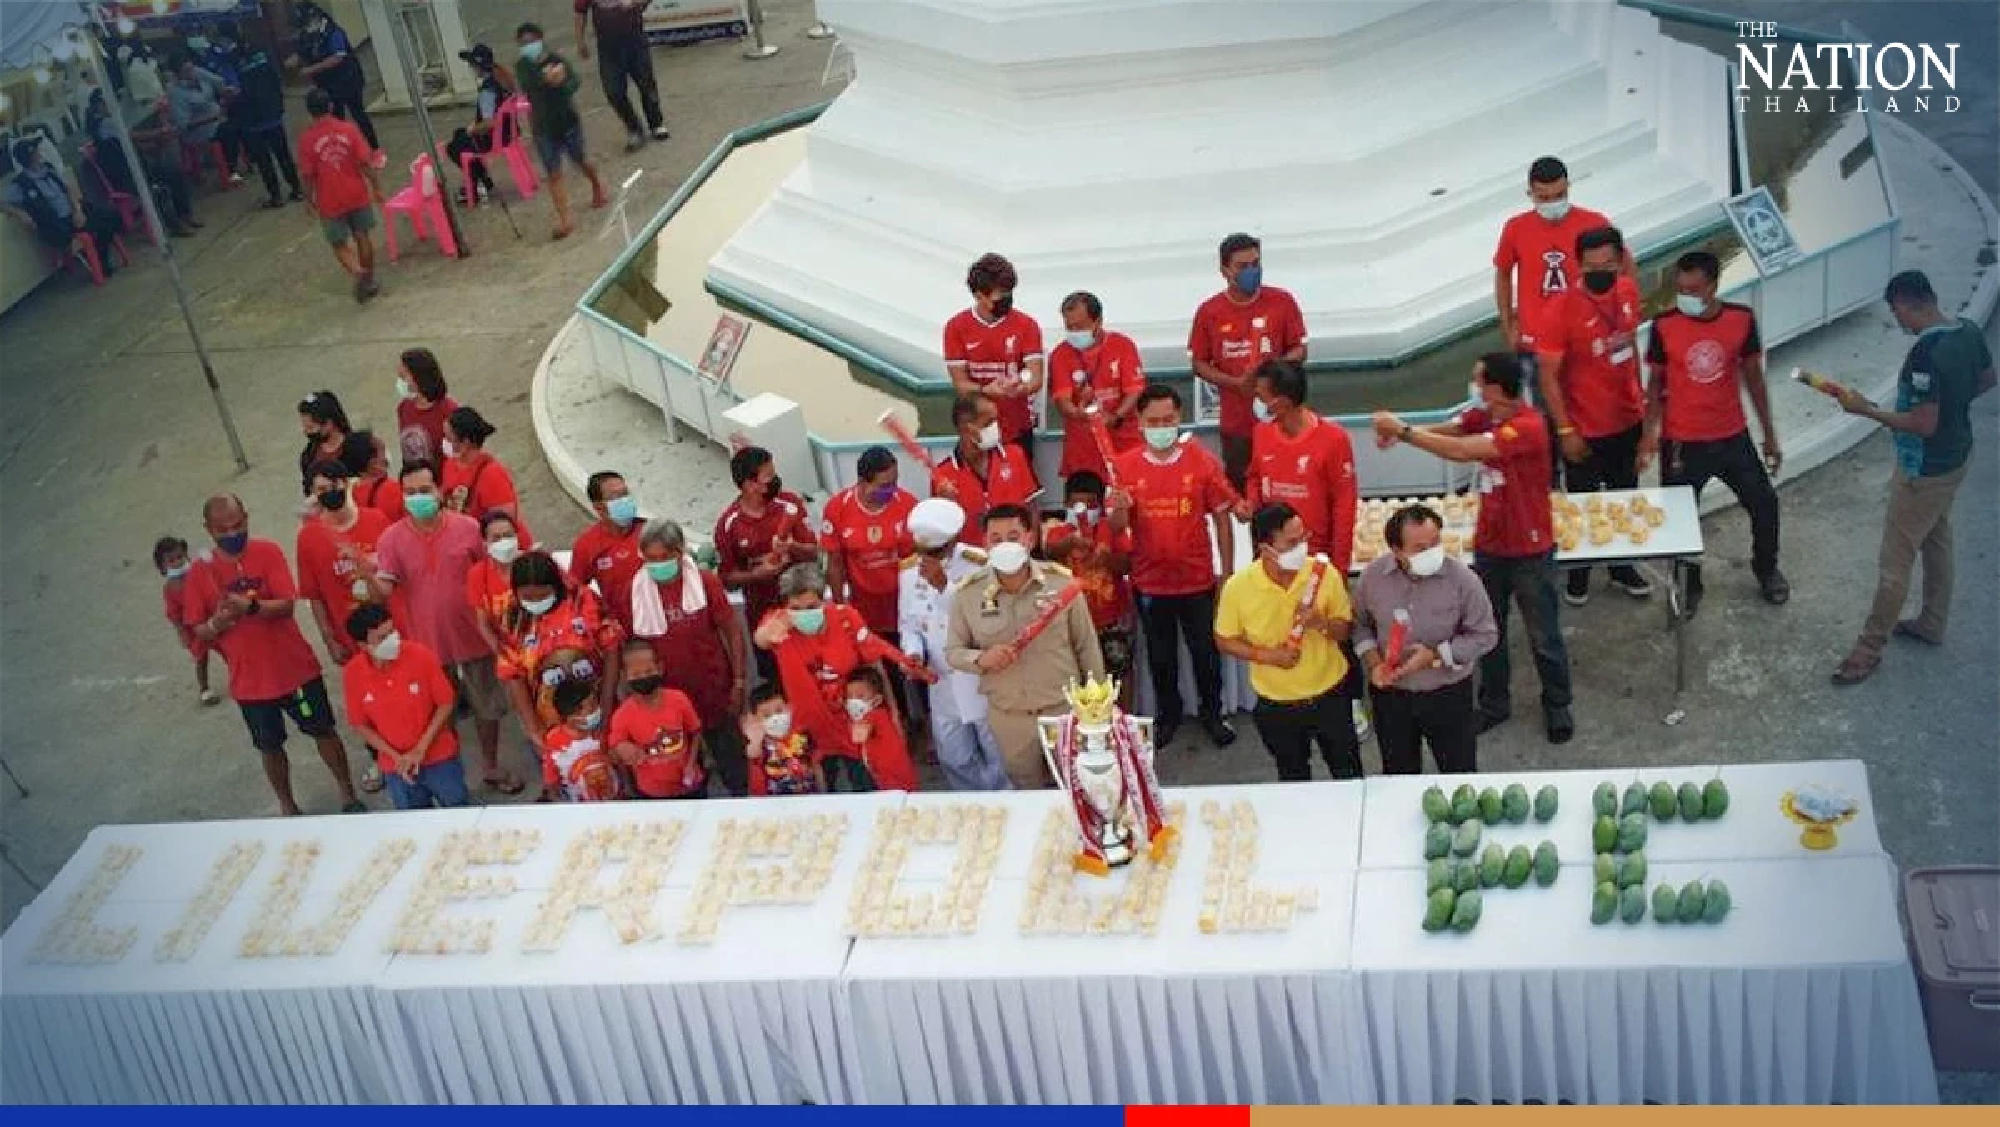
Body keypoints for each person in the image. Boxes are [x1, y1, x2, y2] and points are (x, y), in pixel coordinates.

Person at [1372, 352, 1575, 744]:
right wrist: (1402, 434)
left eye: (1480, 382)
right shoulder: (1489, 416)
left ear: (1496, 388)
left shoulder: (1527, 426)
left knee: (1543, 633)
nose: (1476, 388)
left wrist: (1404, 432)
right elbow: (1455, 429)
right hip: (1491, 547)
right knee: (1487, 630)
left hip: (1529, 549)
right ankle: (1495, 703)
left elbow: (1464, 451)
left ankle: (1557, 704)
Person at [1830, 270, 1996, 684]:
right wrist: (1953, 405)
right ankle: (1932, 622)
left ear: (1903, 304)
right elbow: (1987, 379)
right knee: (1937, 538)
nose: (1898, 321)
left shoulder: (1925, 355)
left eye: (1895, 312)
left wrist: (1866, 410)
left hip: (1922, 470)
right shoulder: (1968, 331)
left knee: (1895, 562)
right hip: (1957, 457)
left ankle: (1868, 648)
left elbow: (1922, 424)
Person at [183, 494, 364, 815]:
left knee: (323, 730)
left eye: (238, 525)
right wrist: (217, 623)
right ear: (208, 529)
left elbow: (286, 604)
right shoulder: (199, 573)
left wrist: (250, 607)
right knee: (269, 747)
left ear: (246, 518)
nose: (232, 533)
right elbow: (198, 629)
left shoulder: (267, 551)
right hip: (251, 685)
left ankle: (348, 795)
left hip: (297, 674)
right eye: (223, 529)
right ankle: (288, 806)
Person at [1639, 249, 1788, 612]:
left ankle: (1766, 569)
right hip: (1681, 442)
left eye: (1693, 290)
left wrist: (1769, 435)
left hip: (1732, 436)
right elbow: (1656, 384)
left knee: (1765, 504)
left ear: (1713, 285)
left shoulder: (1741, 320)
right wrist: (1648, 435)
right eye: (1680, 289)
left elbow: (1754, 379)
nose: (1685, 296)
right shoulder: (1663, 326)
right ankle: (1689, 585)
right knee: (1680, 522)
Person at [373, 461, 525, 795]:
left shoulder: (468, 529)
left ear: (439, 490)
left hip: (476, 639)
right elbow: (383, 590)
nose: (418, 497)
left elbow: (492, 572)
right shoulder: (391, 540)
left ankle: (490, 766)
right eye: (410, 492)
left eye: (424, 490)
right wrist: (364, 575)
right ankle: (452, 774)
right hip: (426, 646)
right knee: (441, 714)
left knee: (487, 708)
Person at [1108, 385, 1241, 748]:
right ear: (1139, 422)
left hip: (1197, 578)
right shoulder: (1123, 466)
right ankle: (1169, 716)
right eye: (1153, 421)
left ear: (1179, 417)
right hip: (1150, 581)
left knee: (1205, 653)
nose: (1161, 427)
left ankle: (1213, 713)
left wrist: (1227, 574)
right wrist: (1119, 507)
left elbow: (1222, 519)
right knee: (1161, 656)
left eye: (1168, 419)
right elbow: (1117, 527)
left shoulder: (1201, 461)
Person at [945, 505, 1105, 788]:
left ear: (1030, 539)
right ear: (985, 543)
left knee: (1077, 787)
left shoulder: (1061, 583)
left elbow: (1086, 647)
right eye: (996, 538)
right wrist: (981, 658)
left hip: (1062, 710)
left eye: (1013, 536)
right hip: (1010, 718)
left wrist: (1097, 707)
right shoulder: (968, 593)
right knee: (1026, 792)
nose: (1005, 544)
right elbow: (953, 652)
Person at [1537, 224, 1651, 604]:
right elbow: (1548, 377)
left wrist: (1642, 401)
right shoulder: (1560, 309)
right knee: (1582, 504)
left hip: (1627, 420)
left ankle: (1622, 567)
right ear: (1578, 265)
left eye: (1607, 264)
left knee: (1624, 497)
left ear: (1620, 261)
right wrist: (1565, 430)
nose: (1600, 272)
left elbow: (1630, 348)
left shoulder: (1628, 291)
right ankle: (1579, 573)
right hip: (1583, 427)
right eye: (1591, 266)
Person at [754, 562, 935, 791]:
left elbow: (874, 663)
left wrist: (893, 712)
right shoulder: (779, 623)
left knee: (867, 786)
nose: (804, 613)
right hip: (809, 731)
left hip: (853, 724)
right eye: (796, 608)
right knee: (815, 792)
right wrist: (766, 634)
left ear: (823, 600)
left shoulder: (846, 618)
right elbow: (761, 639)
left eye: (811, 606)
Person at [1214, 502, 1360, 781]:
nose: (1302, 548)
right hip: (1277, 703)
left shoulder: (1323, 573)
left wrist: (1321, 623)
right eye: (1292, 543)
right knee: (1293, 777)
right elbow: (1224, 639)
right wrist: (1267, 656)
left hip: (1330, 695)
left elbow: (1345, 631)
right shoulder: (1239, 587)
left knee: (1348, 773)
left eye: (1303, 538)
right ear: (1265, 548)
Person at [1350, 504, 1499, 774]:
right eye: (1420, 548)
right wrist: (1374, 664)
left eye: (1435, 543)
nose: (1431, 553)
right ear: (1397, 551)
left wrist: (1436, 656)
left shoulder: (1462, 580)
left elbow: (1485, 635)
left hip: (1448, 694)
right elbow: (1360, 626)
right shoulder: (1372, 578)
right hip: (1392, 696)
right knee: (1399, 775)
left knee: (1458, 773)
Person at [627, 518, 750, 795]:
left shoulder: (704, 582)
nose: (657, 565)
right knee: (683, 771)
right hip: (668, 699)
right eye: (650, 559)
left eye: (664, 557)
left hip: (713, 689)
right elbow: (634, 648)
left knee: (733, 762)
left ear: (680, 551)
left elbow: (732, 631)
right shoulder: (636, 591)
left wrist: (739, 681)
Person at [899, 498, 1008, 791]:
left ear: (953, 540)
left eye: (936, 551)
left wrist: (943, 587)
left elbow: (983, 620)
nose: (928, 559)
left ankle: (1003, 801)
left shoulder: (981, 565)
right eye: (923, 551)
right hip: (941, 681)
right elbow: (909, 624)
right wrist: (913, 653)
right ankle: (971, 803)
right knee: (954, 756)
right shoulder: (908, 573)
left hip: (981, 677)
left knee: (997, 752)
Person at [1493, 156, 1631, 386]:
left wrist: (1622, 314)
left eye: (1559, 195)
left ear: (1568, 187)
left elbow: (1624, 265)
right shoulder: (1516, 229)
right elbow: (1503, 274)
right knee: (1546, 401)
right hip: (1536, 341)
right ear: (1530, 194)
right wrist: (1508, 326)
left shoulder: (1594, 223)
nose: (1552, 203)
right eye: (1543, 198)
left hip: (1587, 336)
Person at [1189, 232, 1308, 491]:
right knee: (1242, 488)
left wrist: (1271, 374)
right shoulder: (1209, 312)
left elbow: (1300, 349)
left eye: (1256, 264)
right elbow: (1199, 364)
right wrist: (1235, 383)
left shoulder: (1282, 301)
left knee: (1288, 485)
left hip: (1282, 418)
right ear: (1225, 270)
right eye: (1242, 266)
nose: (1251, 272)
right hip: (1237, 424)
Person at [497, 549, 625, 754]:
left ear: (556, 587)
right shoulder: (513, 616)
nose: (536, 602)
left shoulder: (583, 601)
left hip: (596, 707)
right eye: (527, 597)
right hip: (549, 721)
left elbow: (611, 650)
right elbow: (513, 674)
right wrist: (534, 729)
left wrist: (607, 707)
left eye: (543, 595)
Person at [341, 604, 468, 810]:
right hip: (396, 767)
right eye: (382, 638)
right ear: (363, 645)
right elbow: (360, 724)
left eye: (392, 631)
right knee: (413, 819)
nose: (392, 640)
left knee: (458, 810)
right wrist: (396, 757)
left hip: (439, 757)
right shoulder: (353, 673)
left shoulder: (420, 655)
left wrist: (419, 750)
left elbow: (445, 703)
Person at [715, 445, 816, 679]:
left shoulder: (790, 504)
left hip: (802, 614)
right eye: (768, 476)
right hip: (763, 620)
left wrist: (792, 546)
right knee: (776, 681)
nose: (775, 480)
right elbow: (727, 578)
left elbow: (813, 552)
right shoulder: (728, 524)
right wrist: (757, 575)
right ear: (750, 485)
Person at [1247, 359, 1357, 569]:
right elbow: (1254, 477)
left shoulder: (1334, 440)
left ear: (1282, 402)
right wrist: (1251, 503)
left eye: (1260, 396)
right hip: (1271, 558)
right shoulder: (1261, 433)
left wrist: (1339, 568)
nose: (1256, 401)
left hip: (1313, 559)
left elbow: (1344, 508)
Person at [943, 253, 1046, 471]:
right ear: (980, 296)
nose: (1007, 300)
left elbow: (1036, 378)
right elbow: (960, 383)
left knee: (1020, 487)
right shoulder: (956, 327)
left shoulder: (1027, 325)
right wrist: (985, 390)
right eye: (1001, 296)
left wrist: (1019, 388)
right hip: (977, 430)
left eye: (1010, 294)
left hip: (1017, 428)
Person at [513, 21, 607, 240]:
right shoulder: (523, 66)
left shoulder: (558, 60)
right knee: (554, 173)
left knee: (581, 160)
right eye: (522, 43)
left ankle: (597, 185)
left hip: (567, 122)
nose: (527, 47)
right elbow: (529, 83)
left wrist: (561, 81)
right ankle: (565, 219)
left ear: (540, 40)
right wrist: (548, 78)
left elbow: (574, 82)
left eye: (530, 41)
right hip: (543, 128)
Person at [1044, 471, 1136, 692]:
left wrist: (1107, 559)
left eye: (1091, 504)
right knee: (1077, 678)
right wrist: (1069, 544)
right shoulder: (1058, 531)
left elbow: (1126, 565)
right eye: (1077, 504)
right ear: (1066, 504)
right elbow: (1050, 553)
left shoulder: (1111, 529)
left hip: (1111, 618)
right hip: (1072, 621)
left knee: (1119, 673)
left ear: (1101, 505)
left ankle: (1122, 714)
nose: (1084, 509)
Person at [296, 87, 384, 303]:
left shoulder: (307, 140)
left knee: (338, 244)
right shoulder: (349, 129)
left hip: (330, 199)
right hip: (356, 192)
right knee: (362, 235)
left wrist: (308, 199)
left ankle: (358, 271)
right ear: (331, 106)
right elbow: (365, 163)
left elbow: (307, 175)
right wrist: (376, 186)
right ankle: (369, 278)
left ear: (310, 111)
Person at [819, 446, 917, 639]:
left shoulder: (908, 505)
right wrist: (840, 609)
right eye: (885, 485)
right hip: (864, 611)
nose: (892, 489)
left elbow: (918, 558)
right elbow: (835, 564)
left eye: (895, 482)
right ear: (862, 482)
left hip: (905, 608)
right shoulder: (837, 508)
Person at [1048, 291, 1146, 480]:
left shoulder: (1122, 345)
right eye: (1069, 327)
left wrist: (1116, 417)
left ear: (1098, 321)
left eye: (1079, 327)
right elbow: (1062, 400)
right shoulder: (1060, 354)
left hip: (1125, 443)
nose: (1074, 332)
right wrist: (1079, 413)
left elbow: (1135, 391)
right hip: (1083, 450)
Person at [85, 88, 197, 237]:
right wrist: (161, 132)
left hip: (135, 170)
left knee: (174, 174)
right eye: (108, 102)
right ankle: (174, 226)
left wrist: (158, 142)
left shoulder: (106, 123)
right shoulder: (105, 123)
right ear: (100, 105)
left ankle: (185, 216)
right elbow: (134, 136)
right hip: (125, 177)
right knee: (159, 189)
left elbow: (135, 145)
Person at [3, 139, 123, 278]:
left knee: (112, 217)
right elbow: (3, 203)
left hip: (74, 212)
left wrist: (77, 210)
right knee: (100, 226)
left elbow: (68, 189)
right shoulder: (21, 183)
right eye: (35, 152)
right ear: (29, 157)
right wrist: (20, 213)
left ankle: (100, 254)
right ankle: (101, 263)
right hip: (56, 223)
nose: (39, 153)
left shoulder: (48, 170)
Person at [929, 392, 1038, 544]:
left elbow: (1031, 506)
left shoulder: (1015, 455)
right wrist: (946, 505)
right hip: (970, 556)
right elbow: (941, 535)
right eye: (989, 422)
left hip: (1014, 552)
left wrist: (1031, 546)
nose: (997, 427)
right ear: (967, 428)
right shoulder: (943, 474)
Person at [213, 21, 302, 208]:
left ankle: (276, 197)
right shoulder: (259, 50)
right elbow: (276, 76)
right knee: (283, 154)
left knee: (263, 160)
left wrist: (225, 101)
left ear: (223, 38)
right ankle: (297, 189)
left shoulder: (230, 60)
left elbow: (233, 90)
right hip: (272, 112)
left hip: (251, 119)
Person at [608, 638, 708, 799]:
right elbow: (614, 751)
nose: (643, 677)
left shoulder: (679, 699)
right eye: (636, 674)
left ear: (660, 668)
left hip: (689, 786)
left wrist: (691, 764)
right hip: (652, 792)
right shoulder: (622, 715)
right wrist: (622, 749)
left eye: (649, 671)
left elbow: (695, 732)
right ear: (625, 676)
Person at [573, 0, 670, 151]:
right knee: (613, 92)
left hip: (635, 40)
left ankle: (656, 124)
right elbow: (580, 12)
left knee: (646, 83)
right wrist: (580, 41)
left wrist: (634, 2)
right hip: (608, 46)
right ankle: (634, 129)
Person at [440, 406, 532, 544]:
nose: (444, 442)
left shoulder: (492, 475)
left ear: (465, 443)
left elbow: (504, 524)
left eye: (448, 438)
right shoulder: (449, 465)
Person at [291, 2, 376, 148]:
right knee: (335, 119)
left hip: (348, 80)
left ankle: (374, 147)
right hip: (327, 85)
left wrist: (311, 69)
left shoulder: (333, 31)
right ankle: (343, 149)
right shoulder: (307, 34)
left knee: (358, 114)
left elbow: (337, 57)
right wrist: (295, 59)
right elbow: (303, 50)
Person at [568, 470, 645, 631]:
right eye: (616, 497)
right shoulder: (586, 546)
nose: (624, 500)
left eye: (625, 494)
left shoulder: (650, 532)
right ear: (599, 507)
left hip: (662, 625)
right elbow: (575, 592)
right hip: (623, 632)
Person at [154, 536, 218, 706]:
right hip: (192, 629)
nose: (177, 563)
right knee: (201, 658)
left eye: (180, 557)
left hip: (211, 620)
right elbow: (174, 614)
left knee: (229, 649)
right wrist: (182, 632)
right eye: (171, 561)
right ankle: (204, 689)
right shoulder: (169, 589)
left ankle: (243, 676)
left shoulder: (196, 574)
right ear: (163, 567)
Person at [538, 678, 624, 802]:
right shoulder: (554, 741)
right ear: (573, 717)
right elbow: (551, 775)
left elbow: (618, 760)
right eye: (592, 708)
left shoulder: (603, 730)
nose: (598, 710)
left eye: (596, 704)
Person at [742, 684, 823, 796]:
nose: (775, 718)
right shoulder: (760, 742)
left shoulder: (803, 734)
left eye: (779, 711)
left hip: (809, 796)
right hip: (773, 801)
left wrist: (823, 793)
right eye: (767, 715)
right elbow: (752, 753)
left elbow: (816, 765)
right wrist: (755, 740)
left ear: (789, 707)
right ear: (756, 718)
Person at [845, 667, 918, 792]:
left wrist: (853, 719)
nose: (853, 701)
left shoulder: (875, 715)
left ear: (877, 700)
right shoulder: (882, 714)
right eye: (849, 696)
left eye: (860, 696)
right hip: (891, 775)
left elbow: (858, 736)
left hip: (893, 778)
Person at [296, 390, 373, 497]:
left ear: (329, 423)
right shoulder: (308, 458)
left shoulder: (361, 446)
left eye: (311, 427)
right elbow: (309, 492)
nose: (306, 432)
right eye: (305, 427)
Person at [467, 510, 524, 650]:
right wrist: (502, 654)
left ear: (516, 536)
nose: (503, 542)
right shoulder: (478, 575)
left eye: (508, 535)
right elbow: (483, 624)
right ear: (485, 543)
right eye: (496, 538)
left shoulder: (535, 562)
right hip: (508, 649)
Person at [394, 348, 459, 467]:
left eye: (403, 377)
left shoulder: (449, 410)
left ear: (419, 377)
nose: (400, 383)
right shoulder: (403, 408)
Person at [164, 52, 229, 161]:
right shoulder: (175, 93)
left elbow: (219, 82)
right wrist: (211, 118)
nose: (192, 73)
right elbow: (183, 125)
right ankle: (230, 164)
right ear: (177, 74)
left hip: (218, 118)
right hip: (198, 131)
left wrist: (225, 94)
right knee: (229, 131)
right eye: (186, 71)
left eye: (192, 68)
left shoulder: (198, 72)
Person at [354, 437, 406, 522]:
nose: (386, 456)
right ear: (373, 462)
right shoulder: (394, 489)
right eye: (383, 450)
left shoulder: (349, 494)